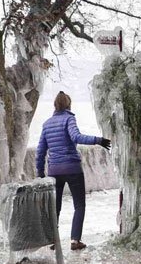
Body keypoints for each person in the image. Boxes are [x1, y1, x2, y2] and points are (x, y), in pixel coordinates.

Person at [36, 91, 111, 251]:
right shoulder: (69, 118)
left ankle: (53, 240)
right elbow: (76, 137)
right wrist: (98, 140)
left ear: (55, 105)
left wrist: (40, 172)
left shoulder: (46, 124)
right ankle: (75, 240)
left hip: (54, 170)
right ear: (68, 104)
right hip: (72, 168)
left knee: (55, 206)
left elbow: (40, 151)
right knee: (79, 205)